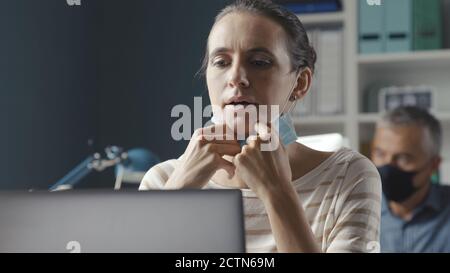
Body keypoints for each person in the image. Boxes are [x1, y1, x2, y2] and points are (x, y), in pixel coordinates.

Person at [140, 0, 381, 253]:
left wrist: (277, 192)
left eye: (259, 62)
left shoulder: (347, 177)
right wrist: (176, 194)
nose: (235, 78)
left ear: (300, 83)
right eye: (221, 62)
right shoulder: (162, 181)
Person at [371, 106, 450, 252]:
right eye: (380, 154)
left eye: (403, 158)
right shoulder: (355, 212)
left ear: (434, 165)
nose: (388, 167)